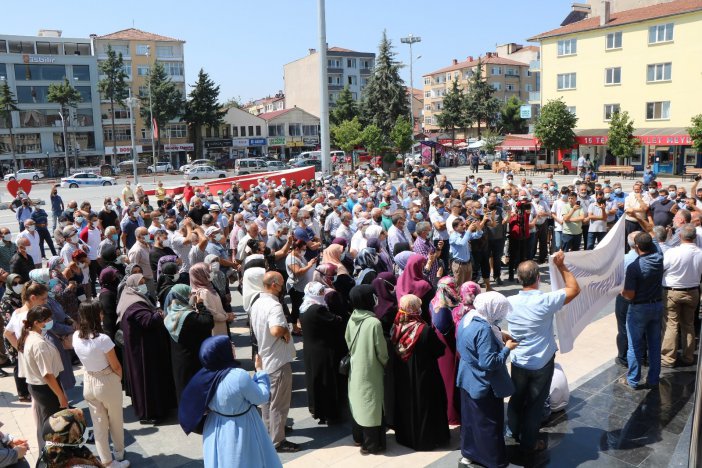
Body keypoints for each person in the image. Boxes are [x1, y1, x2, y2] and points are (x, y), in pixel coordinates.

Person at [507, 252, 580, 454]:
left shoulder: (509, 302)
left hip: (519, 361)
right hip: (541, 362)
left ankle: (512, 432)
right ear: (538, 279)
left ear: (519, 279)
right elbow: (574, 289)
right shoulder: (546, 300)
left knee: (516, 399)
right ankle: (529, 443)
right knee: (535, 404)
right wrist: (561, 266)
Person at [179, 336, 282, 468]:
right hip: (242, 426)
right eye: (229, 345)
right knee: (247, 459)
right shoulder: (238, 376)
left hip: (215, 425)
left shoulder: (203, 376)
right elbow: (261, 397)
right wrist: (260, 371)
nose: (233, 345)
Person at [456, 291, 518, 468]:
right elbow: (489, 363)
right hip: (483, 383)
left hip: (467, 378)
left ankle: (468, 453)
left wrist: (498, 333)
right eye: (500, 311)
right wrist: (507, 348)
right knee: (489, 423)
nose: (501, 315)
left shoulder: (469, 316)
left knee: (470, 421)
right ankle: (492, 460)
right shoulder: (483, 329)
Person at [72, 301, 130, 468]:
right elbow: (116, 366)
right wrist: (117, 379)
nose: (102, 314)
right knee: (116, 420)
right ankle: (118, 453)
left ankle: (106, 460)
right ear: (96, 315)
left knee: (98, 424)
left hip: (88, 380)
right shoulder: (102, 339)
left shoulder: (76, 336)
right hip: (106, 380)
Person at [391, 294, 449, 450]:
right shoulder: (424, 330)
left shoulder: (396, 326)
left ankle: (406, 437)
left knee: (406, 404)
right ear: (416, 309)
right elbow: (439, 350)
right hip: (424, 375)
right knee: (425, 406)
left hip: (403, 375)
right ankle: (426, 439)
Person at [117, 273, 176, 424]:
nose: (144, 285)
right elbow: (147, 321)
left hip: (142, 347)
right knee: (149, 380)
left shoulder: (130, 297)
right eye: (141, 282)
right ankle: (153, 411)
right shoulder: (134, 303)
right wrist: (161, 313)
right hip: (143, 351)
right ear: (133, 285)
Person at [250, 271, 299, 453]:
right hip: (277, 361)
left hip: (265, 358)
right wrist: (286, 331)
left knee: (268, 402)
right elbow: (276, 329)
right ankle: (278, 441)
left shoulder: (257, 302)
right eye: (282, 283)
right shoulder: (274, 305)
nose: (283, 286)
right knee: (279, 403)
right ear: (274, 284)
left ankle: (272, 432)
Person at [16, 305, 68, 450]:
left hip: (38, 387)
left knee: (45, 423)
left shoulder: (30, 336)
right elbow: (47, 375)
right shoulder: (38, 343)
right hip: (46, 388)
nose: (50, 321)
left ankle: (47, 454)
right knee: (53, 426)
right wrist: (61, 395)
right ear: (37, 323)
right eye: (47, 319)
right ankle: (52, 456)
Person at [346, 284, 389, 455]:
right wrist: (385, 362)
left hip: (356, 366)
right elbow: (381, 351)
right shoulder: (373, 323)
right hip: (371, 369)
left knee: (358, 402)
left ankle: (358, 438)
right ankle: (372, 445)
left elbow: (348, 340)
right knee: (372, 404)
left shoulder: (353, 318)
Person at [620, 232, 664, 389]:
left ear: (636, 246)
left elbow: (629, 295)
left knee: (635, 345)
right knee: (654, 345)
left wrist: (621, 291)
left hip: (639, 308)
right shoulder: (659, 257)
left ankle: (633, 380)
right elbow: (654, 235)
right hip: (657, 305)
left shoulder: (634, 267)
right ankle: (653, 379)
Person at [300, 281, 345, 424]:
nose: (322, 295)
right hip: (322, 351)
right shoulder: (318, 310)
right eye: (320, 292)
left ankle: (318, 410)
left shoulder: (304, 307)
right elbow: (336, 320)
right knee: (327, 381)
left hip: (311, 350)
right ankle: (330, 413)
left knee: (315, 380)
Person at [163, 284, 214, 403]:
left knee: (184, 390)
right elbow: (208, 322)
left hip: (179, 360)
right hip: (192, 360)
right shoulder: (187, 316)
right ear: (182, 297)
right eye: (190, 294)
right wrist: (201, 305)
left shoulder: (171, 313)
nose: (192, 296)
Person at [661, 224, 702, 367]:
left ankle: (668, 359)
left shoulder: (672, 252)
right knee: (688, 324)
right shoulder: (700, 253)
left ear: (680, 237)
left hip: (673, 292)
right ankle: (688, 357)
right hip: (692, 292)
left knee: (671, 325)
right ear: (695, 237)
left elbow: (662, 267)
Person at [4, 282, 50, 404]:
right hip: (39, 356)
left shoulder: (17, 312)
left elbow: (8, 333)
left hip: (29, 356)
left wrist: (21, 349)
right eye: (43, 299)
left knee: (36, 395)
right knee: (44, 392)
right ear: (33, 298)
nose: (45, 301)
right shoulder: (32, 315)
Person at [429, 276, 461, 425]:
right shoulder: (443, 306)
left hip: (441, 345)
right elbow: (444, 327)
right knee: (450, 379)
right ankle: (452, 414)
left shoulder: (435, 300)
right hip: (447, 346)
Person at [190, 263, 231, 336]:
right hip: (215, 330)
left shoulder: (209, 287)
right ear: (201, 275)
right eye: (208, 271)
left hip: (220, 326)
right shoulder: (203, 292)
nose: (210, 273)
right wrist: (227, 316)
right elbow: (212, 314)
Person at [286, 240, 317, 334]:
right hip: (295, 287)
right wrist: (310, 265)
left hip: (303, 286)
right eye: (302, 249)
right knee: (296, 307)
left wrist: (310, 263)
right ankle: (294, 328)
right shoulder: (291, 259)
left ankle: (299, 324)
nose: (304, 251)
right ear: (296, 248)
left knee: (302, 306)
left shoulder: (299, 255)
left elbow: (305, 266)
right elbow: (298, 272)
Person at [396, 254, 435, 322]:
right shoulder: (424, 286)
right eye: (422, 266)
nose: (423, 268)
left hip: (402, 319)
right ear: (418, 267)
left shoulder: (400, 279)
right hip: (421, 322)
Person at [98, 267, 121, 342]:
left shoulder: (111, 289)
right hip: (113, 329)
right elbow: (108, 317)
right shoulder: (106, 294)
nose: (116, 279)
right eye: (113, 277)